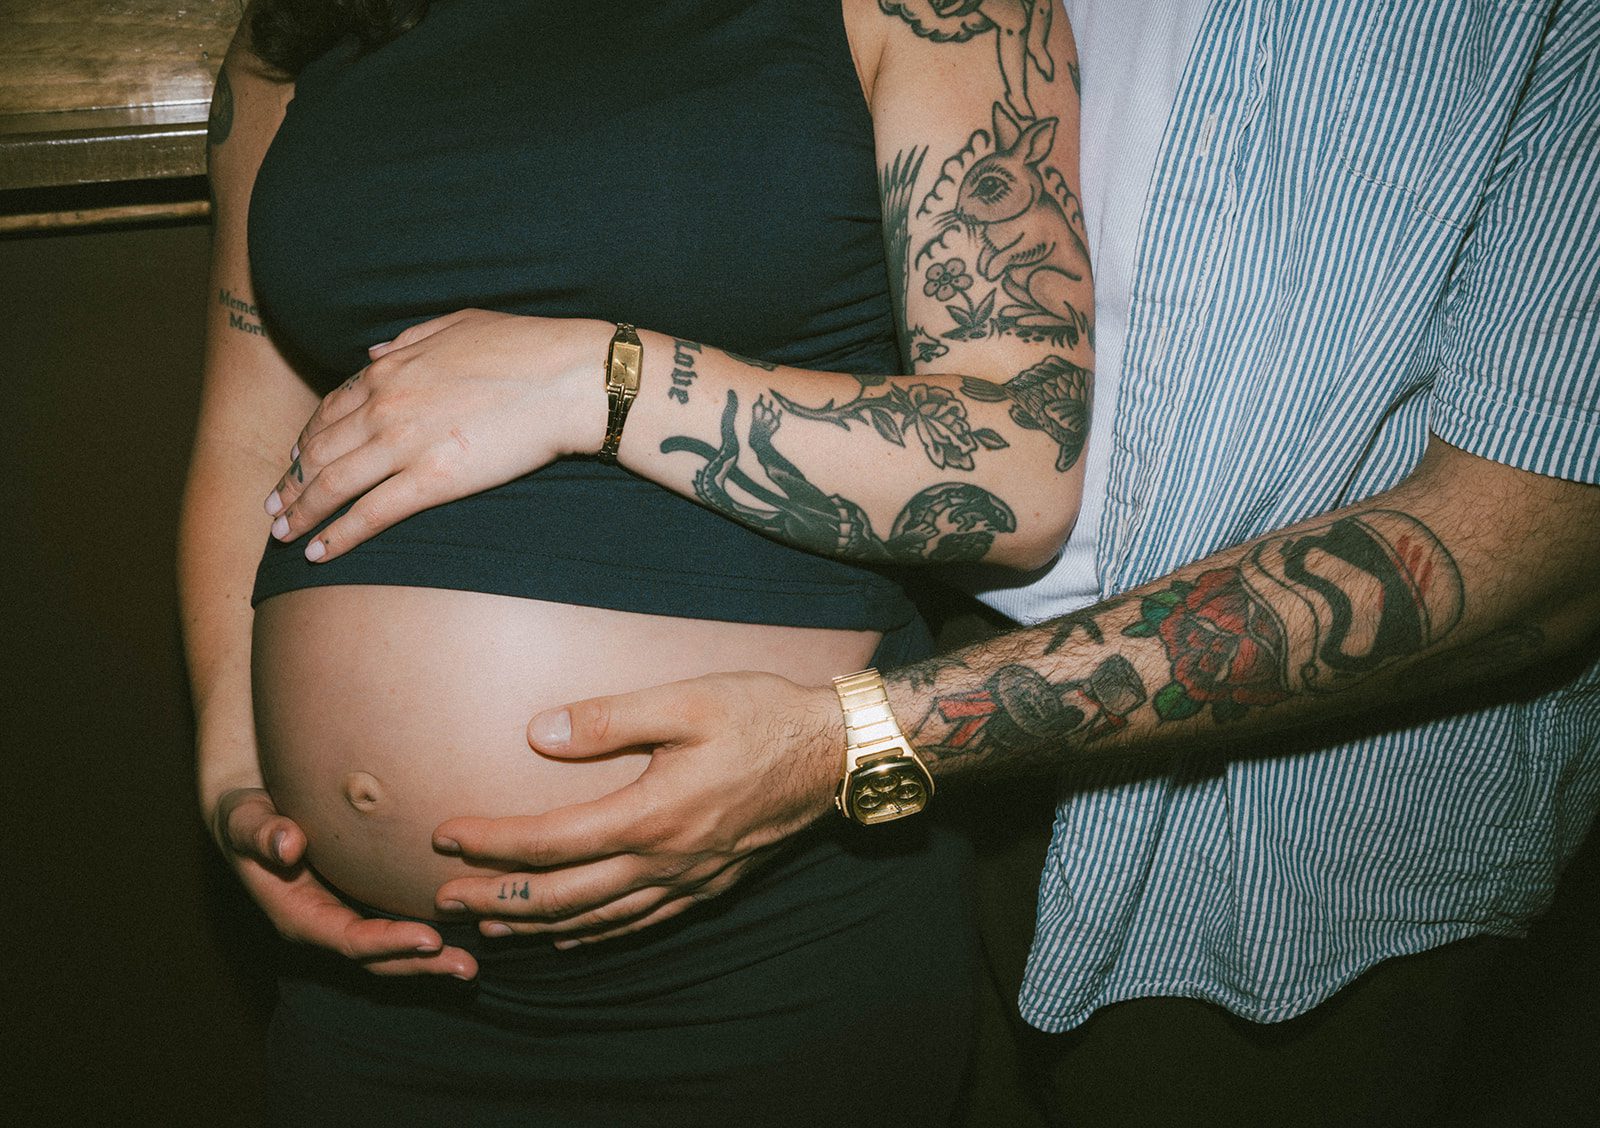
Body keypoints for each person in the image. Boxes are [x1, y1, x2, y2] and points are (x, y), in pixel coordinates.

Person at [249, 1, 1600, 1124]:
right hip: (904, 774)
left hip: (1258, 834)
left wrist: (847, 736)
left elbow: (1538, 540)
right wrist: (237, 763)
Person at [180, 1, 1093, 1123]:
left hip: (751, 941)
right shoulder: (303, 25)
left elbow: (1019, 465)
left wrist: (596, 383)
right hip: (370, 986)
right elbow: (243, 437)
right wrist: (232, 767)